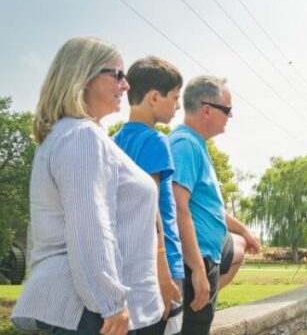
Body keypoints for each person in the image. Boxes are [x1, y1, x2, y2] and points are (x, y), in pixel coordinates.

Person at [12, 37, 164, 334]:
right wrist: (111, 304)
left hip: (86, 309)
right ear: (83, 76)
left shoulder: (71, 134)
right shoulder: (82, 136)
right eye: (117, 75)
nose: (126, 85)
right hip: (91, 313)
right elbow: (90, 226)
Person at [169, 75, 260, 333]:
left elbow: (210, 208)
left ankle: (211, 289)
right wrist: (198, 270)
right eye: (227, 110)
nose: (230, 116)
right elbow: (177, 207)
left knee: (239, 245)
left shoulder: (195, 144)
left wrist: (244, 231)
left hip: (209, 254)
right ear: (207, 110)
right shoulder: (185, 145)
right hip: (195, 260)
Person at [112, 57, 184, 335]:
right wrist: (163, 271)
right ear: (154, 97)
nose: (178, 106)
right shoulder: (155, 141)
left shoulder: (114, 141)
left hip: (128, 265)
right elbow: (148, 210)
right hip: (160, 265)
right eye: (175, 98)